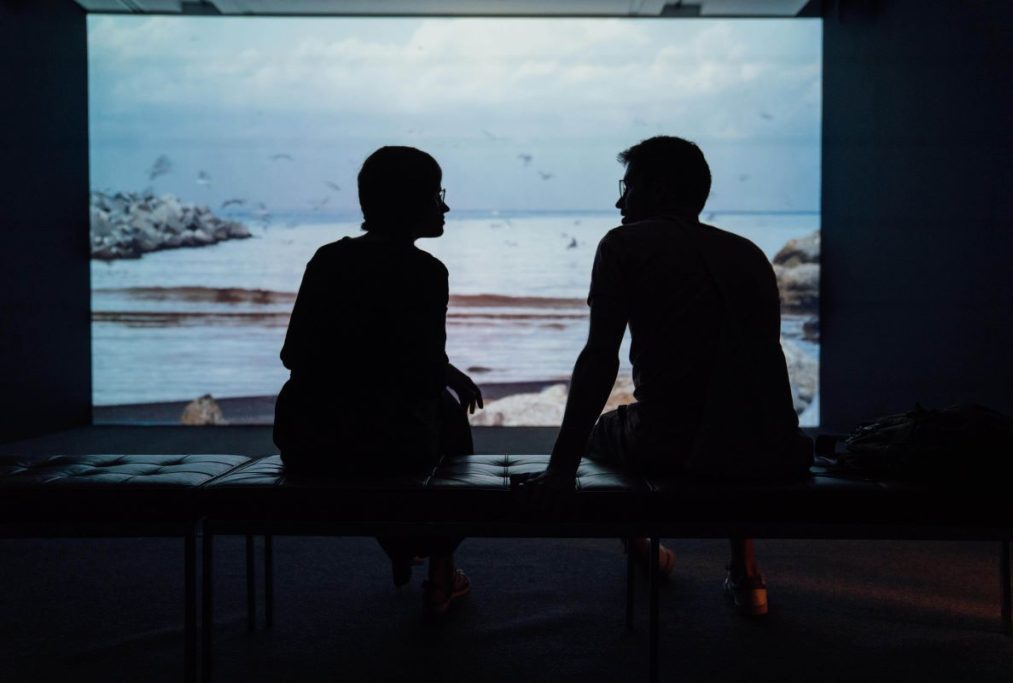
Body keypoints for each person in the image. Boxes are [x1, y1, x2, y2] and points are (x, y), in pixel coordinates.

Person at [520, 136, 812, 616]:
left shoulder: (623, 245)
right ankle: (746, 570)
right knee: (730, 408)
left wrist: (560, 469)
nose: (619, 200)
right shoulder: (749, 253)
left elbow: (599, 359)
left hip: (675, 446)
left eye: (627, 186)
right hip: (772, 448)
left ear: (655, 190)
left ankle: (644, 551)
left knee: (604, 433)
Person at [273, 146, 483, 616]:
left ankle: (406, 544)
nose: (445, 207)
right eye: (436, 195)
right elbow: (422, 376)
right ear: (413, 203)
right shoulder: (426, 272)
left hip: (308, 440)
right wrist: (441, 376)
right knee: (445, 419)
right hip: (389, 447)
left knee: (401, 421)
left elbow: (294, 354)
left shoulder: (327, 259)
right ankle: (441, 570)